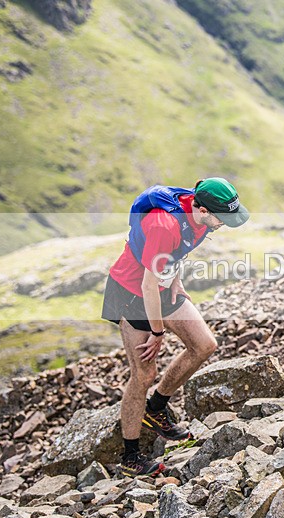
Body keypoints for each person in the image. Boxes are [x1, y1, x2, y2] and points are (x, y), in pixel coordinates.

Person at [101, 177, 249, 477]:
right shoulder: (164, 225)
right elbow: (147, 285)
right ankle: (130, 457)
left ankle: (155, 409)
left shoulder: (200, 219)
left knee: (204, 345)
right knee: (143, 374)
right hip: (132, 293)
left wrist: (176, 281)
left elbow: (177, 252)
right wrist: (158, 332)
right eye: (222, 218)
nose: (224, 224)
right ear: (203, 209)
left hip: (162, 285)